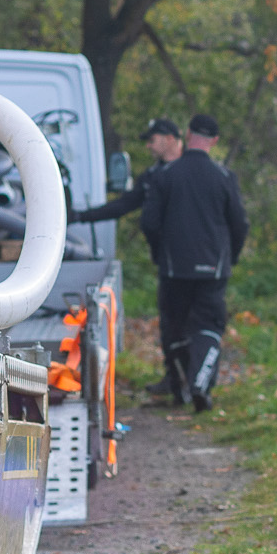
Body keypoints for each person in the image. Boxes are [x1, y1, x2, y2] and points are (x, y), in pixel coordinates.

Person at [68, 118, 188, 399]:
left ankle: (193, 380)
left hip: (193, 260)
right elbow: (124, 205)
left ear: (170, 138)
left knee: (192, 322)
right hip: (167, 261)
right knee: (170, 321)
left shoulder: (188, 172)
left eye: (153, 139)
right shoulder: (152, 177)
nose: (148, 145)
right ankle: (174, 378)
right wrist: (82, 216)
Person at [139, 113, 247, 412]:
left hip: (174, 268)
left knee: (174, 326)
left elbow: (149, 222)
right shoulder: (224, 177)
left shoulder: (166, 175)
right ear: (214, 141)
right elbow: (239, 224)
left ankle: (180, 387)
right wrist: (231, 256)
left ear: (187, 135)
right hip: (214, 267)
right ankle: (201, 384)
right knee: (208, 326)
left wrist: (160, 252)